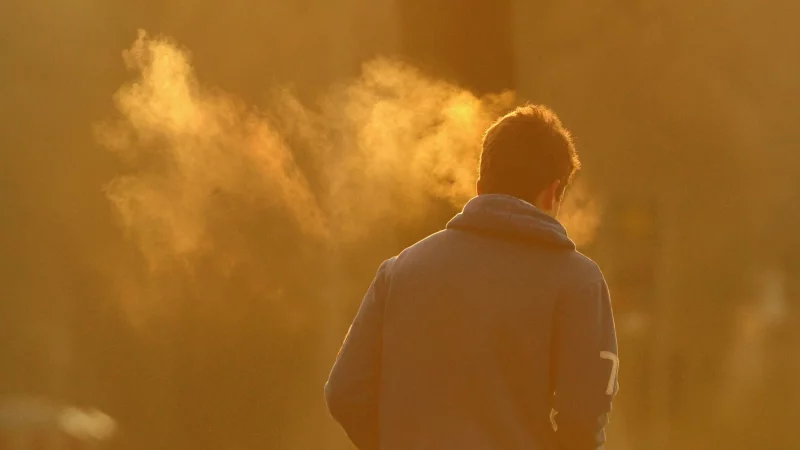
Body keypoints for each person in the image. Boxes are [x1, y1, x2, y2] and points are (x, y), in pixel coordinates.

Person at [325, 104, 619, 450]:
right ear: (553, 192)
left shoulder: (399, 271)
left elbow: (344, 392)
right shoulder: (579, 282)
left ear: (480, 188)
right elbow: (583, 420)